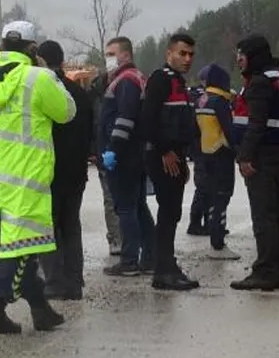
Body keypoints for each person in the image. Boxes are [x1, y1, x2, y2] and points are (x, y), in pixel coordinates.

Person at [0, 21, 73, 335]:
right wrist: (50, 74)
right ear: (33, 49)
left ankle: (41, 310)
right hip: (28, 180)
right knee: (18, 248)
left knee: (15, 244)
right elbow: (66, 112)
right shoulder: (38, 78)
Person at [230, 35, 279, 291]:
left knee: (264, 217)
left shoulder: (258, 82)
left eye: (242, 54)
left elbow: (256, 123)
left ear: (254, 56)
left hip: (261, 156)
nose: (239, 59)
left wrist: (244, 156)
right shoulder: (277, 80)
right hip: (277, 154)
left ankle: (266, 271)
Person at [138, 33, 200, 291]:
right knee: (168, 212)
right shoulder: (161, 79)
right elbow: (148, 120)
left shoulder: (178, 82)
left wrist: (184, 157)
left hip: (175, 154)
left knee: (172, 212)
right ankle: (163, 271)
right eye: (182, 53)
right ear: (169, 54)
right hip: (163, 155)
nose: (187, 59)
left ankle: (167, 265)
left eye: (191, 54)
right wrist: (165, 151)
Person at [37, 40, 93, 301]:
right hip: (76, 171)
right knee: (71, 225)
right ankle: (74, 279)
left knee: (48, 226)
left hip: (50, 171)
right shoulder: (79, 92)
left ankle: (54, 281)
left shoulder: (43, 91)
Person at [98, 36, 154, 276]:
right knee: (138, 207)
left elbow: (124, 118)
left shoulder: (126, 81)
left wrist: (113, 148)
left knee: (126, 209)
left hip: (124, 155)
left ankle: (130, 260)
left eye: (112, 54)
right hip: (134, 153)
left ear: (126, 55)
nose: (108, 59)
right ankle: (150, 257)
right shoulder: (133, 78)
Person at [193, 63, 239, 260]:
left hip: (206, 153)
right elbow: (229, 130)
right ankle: (218, 243)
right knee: (222, 197)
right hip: (222, 153)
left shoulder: (201, 101)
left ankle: (213, 237)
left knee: (212, 197)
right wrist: (238, 151)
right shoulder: (220, 102)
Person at [94, 54, 124, 255]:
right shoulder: (96, 94)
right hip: (104, 152)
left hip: (123, 151)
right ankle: (116, 238)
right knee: (110, 199)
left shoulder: (126, 87)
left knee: (127, 199)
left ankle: (127, 238)